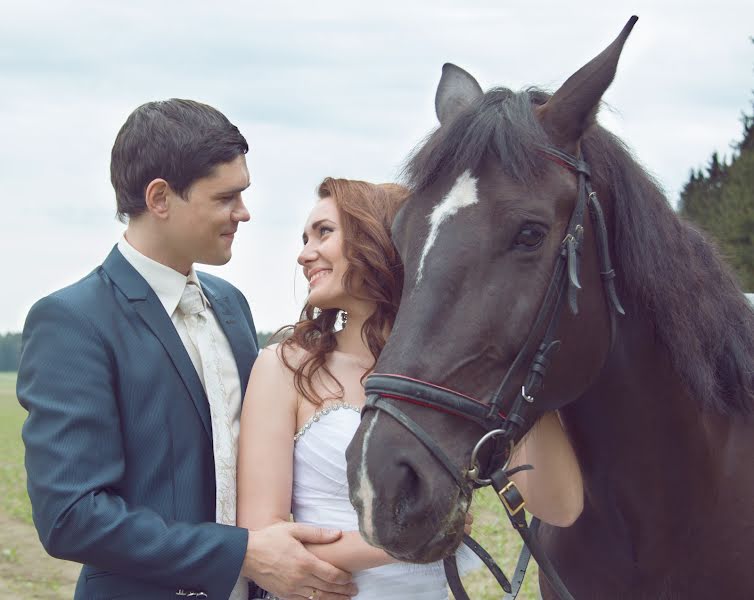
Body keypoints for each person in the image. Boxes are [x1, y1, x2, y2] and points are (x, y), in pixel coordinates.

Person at [16, 99, 356, 600]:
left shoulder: (231, 305)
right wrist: (240, 554)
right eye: (226, 197)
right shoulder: (72, 321)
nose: (244, 212)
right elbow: (71, 516)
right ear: (160, 198)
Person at [237, 178, 583, 600]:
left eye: (323, 232)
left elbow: (560, 507)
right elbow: (264, 538)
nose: (304, 253)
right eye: (305, 237)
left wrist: (519, 364)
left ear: (379, 237)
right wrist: (413, 537)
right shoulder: (286, 368)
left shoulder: (457, 376)